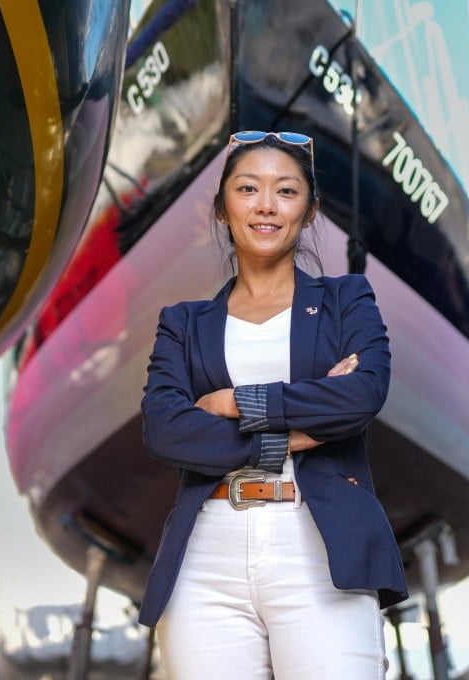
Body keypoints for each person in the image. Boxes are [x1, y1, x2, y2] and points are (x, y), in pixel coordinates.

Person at [138, 130, 408, 679]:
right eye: (247, 189)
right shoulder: (183, 323)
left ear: (309, 212)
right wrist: (288, 435)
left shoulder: (347, 299)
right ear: (222, 209)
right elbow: (165, 428)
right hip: (206, 558)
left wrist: (237, 402)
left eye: (286, 191)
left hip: (319, 549)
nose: (266, 205)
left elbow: (362, 393)